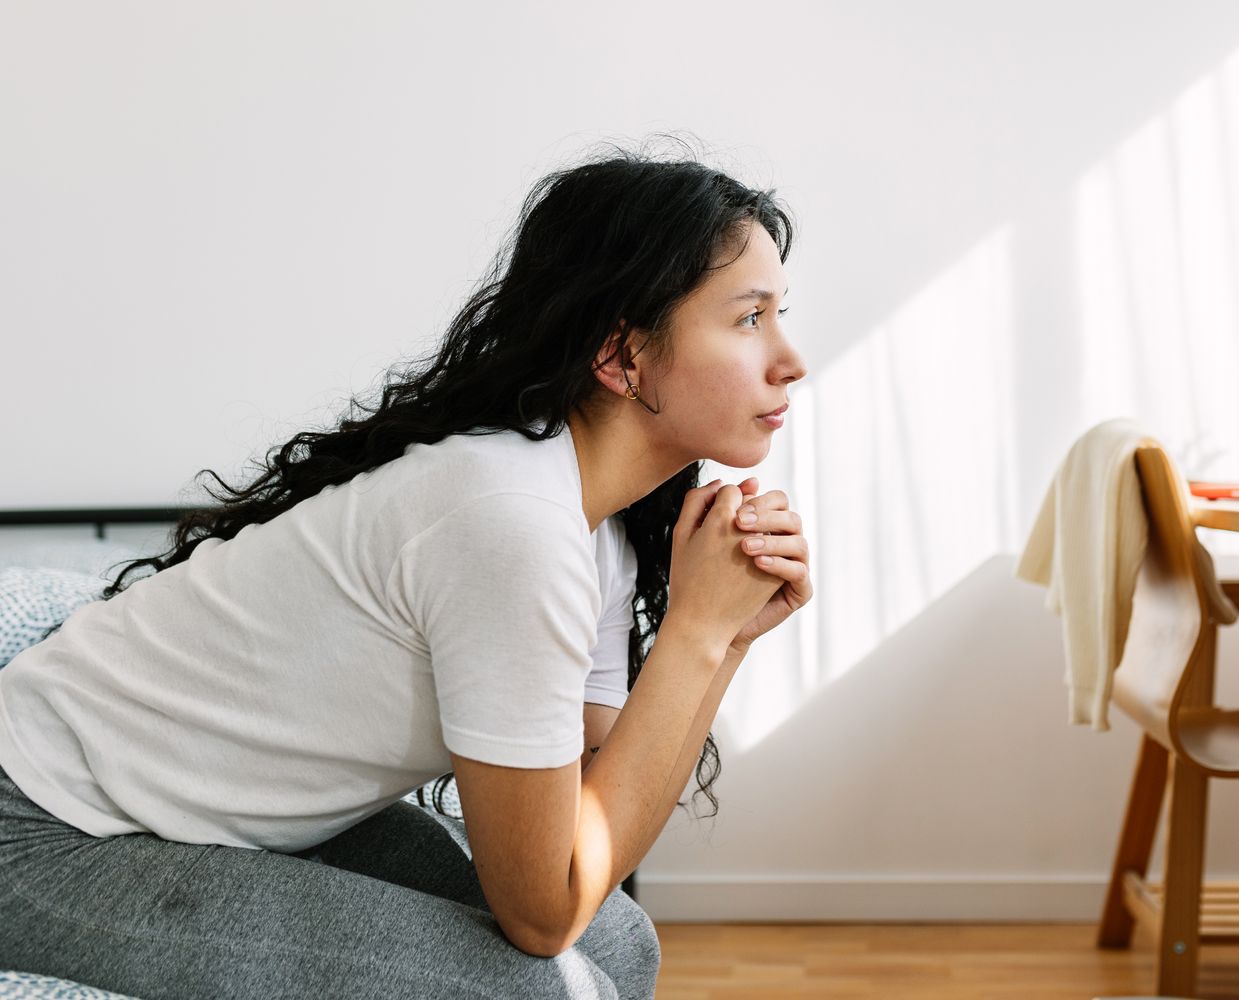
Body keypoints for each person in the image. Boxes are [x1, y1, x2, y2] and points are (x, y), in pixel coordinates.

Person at [0, 142, 812, 999]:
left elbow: (596, 807)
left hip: (196, 813)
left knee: (619, 940)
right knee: (529, 990)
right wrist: (695, 632)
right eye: (749, 319)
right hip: (45, 827)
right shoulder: (513, 522)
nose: (789, 357)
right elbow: (542, 911)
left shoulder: (594, 526)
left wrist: (722, 638)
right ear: (622, 356)